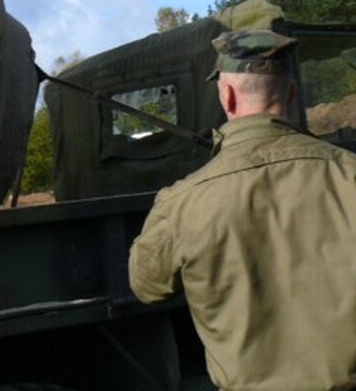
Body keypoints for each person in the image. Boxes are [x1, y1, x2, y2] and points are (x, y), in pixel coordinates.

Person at [129, 30, 356, 391]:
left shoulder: (181, 203)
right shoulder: (349, 174)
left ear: (228, 96)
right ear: (292, 93)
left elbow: (147, 287)